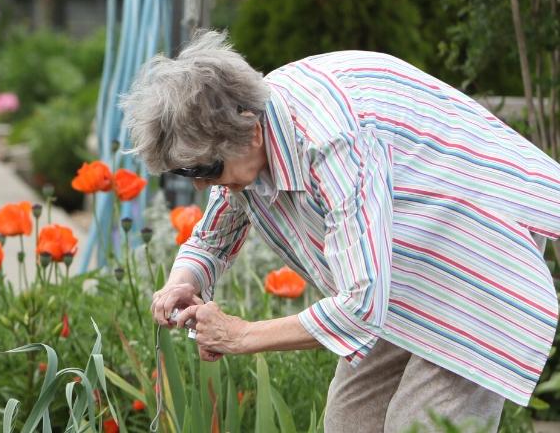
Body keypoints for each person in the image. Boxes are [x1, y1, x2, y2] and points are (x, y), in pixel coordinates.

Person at [122, 31, 560, 433]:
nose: (200, 183)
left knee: (420, 425)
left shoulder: (333, 142)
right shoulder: (243, 144)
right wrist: (184, 281)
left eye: (205, 169)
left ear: (250, 131)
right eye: (187, 172)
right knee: (348, 423)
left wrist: (241, 335)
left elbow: (362, 305)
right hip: (401, 265)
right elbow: (213, 238)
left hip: (475, 253)